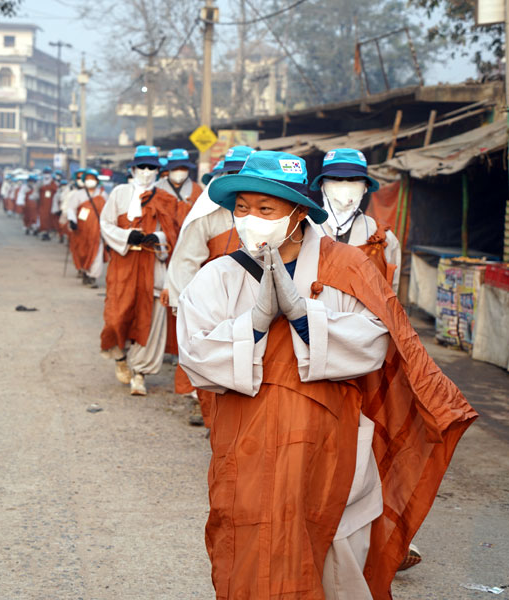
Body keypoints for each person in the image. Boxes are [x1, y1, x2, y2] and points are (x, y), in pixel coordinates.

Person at [176, 151, 477, 600]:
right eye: (242, 208)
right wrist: (254, 325)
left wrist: (303, 318)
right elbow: (195, 352)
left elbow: (376, 341)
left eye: (265, 210)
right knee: (249, 543)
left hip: (333, 444)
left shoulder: (349, 266)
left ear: (298, 213)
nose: (249, 219)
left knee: (337, 553)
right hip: (247, 442)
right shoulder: (220, 273)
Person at [164, 145, 253, 426]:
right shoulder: (206, 218)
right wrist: (184, 303)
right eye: (232, 174)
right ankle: (204, 410)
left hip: (255, 304)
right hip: (214, 307)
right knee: (209, 359)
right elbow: (186, 262)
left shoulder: (269, 215)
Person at [99, 145, 182, 396]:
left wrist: (156, 237)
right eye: (142, 167)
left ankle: (140, 374)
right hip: (124, 264)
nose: (146, 172)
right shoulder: (119, 193)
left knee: (151, 316)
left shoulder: (166, 199)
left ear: (159, 171)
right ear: (133, 169)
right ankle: (120, 356)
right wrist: (127, 236)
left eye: (152, 168)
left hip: (152, 263)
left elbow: (174, 233)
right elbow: (106, 223)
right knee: (117, 315)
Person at [310, 148, 401, 293]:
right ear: (322, 186)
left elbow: (391, 295)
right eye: (336, 179)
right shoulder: (303, 230)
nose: (345, 187)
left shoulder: (385, 239)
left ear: (365, 187)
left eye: (353, 181)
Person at [67, 168, 106, 287]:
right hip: (81, 228)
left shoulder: (103, 194)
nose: (90, 181)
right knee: (82, 250)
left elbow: (107, 211)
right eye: (88, 179)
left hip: (97, 228)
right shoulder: (78, 195)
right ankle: (84, 270)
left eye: (92, 179)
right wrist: (72, 221)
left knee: (97, 251)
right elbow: (71, 209)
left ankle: (93, 276)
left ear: (97, 181)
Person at [37, 167, 58, 241]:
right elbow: (36, 193)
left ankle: (49, 232)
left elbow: (57, 193)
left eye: (48, 173)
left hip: (51, 205)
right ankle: (44, 232)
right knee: (43, 219)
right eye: (45, 173)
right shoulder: (40, 183)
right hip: (42, 205)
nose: (47, 175)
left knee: (51, 220)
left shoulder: (54, 183)